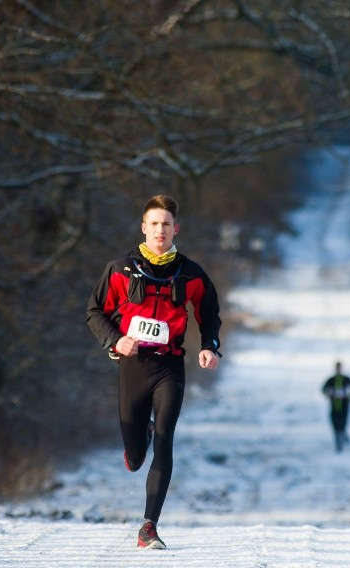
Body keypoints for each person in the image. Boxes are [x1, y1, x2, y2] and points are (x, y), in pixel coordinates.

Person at [86, 194, 222, 550]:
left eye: (167, 224)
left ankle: (149, 526)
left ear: (176, 228)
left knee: (165, 437)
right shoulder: (119, 269)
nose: (160, 230)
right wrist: (116, 341)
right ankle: (138, 439)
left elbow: (209, 311)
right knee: (134, 455)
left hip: (169, 365)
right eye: (154, 224)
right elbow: (94, 312)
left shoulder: (191, 273)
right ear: (143, 228)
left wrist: (209, 345)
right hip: (133, 365)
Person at [321, 361, 350, 452]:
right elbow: (323, 389)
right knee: (335, 422)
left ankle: (342, 437)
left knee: (343, 422)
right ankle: (339, 438)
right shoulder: (331, 379)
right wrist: (329, 396)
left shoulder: (346, 379)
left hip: (344, 404)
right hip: (334, 404)